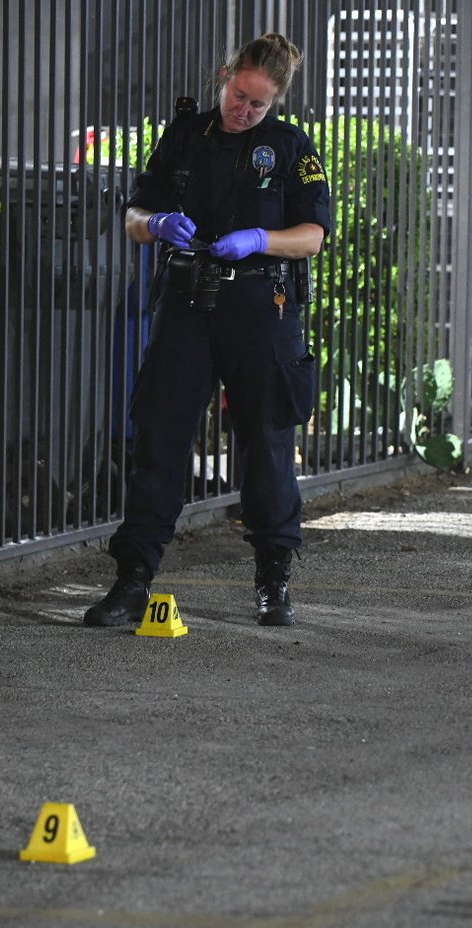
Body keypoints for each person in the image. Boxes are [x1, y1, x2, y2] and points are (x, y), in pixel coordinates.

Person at [84, 33, 332, 628]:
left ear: (275, 102)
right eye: (239, 95)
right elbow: (134, 216)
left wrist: (260, 240)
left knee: (266, 444)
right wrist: (157, 223)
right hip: (188, 302)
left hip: (259, 307)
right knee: (159, 440)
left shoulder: (291, 146)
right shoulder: (186, 136)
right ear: (226, 75)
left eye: (258, 104)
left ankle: (274, 579)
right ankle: (133, 580)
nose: (243, 111)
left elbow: (314, 235)